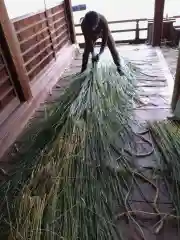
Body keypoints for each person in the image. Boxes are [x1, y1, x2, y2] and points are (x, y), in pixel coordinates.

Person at [81, 11, 123, 75]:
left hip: (102, 32)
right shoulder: (84, 24)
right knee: (86, 52)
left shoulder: (103, 20)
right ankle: (83, 69)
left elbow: (105, 39)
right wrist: (93, 54)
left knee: (112, 48)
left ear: (98, 21)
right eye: (93, 26)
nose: (94, 27)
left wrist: (100, 53)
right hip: (91, 35)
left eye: (96, 25)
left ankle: (119, 66)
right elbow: (88, 40)